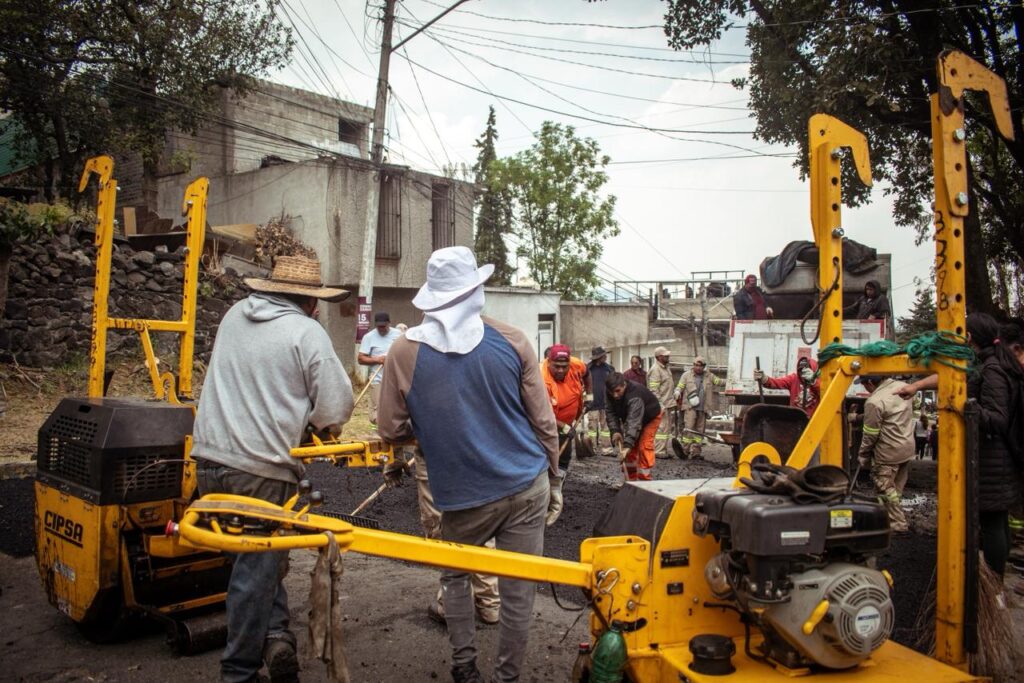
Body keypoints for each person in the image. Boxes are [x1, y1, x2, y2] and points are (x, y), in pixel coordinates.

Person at [376, 246, 560, 683]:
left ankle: (464, 665)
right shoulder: (513, 340)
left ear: (433, 297)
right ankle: (507, 677)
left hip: (461, 496)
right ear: (475, 291)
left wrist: (431, 425)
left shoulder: (403, 353)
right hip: (526, 485)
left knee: (455, 577)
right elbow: (544, 422)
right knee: (519, 588)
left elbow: (390, 428)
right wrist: (555, 479)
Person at [191, 255, 355, 683]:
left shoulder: (232, 316)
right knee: (255, 569)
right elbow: (336, 405)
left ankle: (277, 636)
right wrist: (320, 425)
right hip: (259, 467)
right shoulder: (306, 331)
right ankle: (239, 671)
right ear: (310, 302)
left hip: (208, 460)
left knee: (254, 561)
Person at [966, 313, 1023, 576]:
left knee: (992, 522)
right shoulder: (998, 363)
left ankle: (992, 582)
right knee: (996, 520)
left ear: (970, 336)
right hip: (999, 459)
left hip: (992, 461)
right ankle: (995, 582)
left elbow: (997, 418)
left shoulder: (992, 369)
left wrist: (966, 408)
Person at [855, 375, 915, 533]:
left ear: (870, 382)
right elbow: (890, 416)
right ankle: (886, 518)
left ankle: (898, 523)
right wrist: (858, 417)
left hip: (887, 453)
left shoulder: (874, 401)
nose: (864, 389)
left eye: (863, 385)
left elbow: (870, 434)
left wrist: (863, 455)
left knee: (885, 489)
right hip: (906, 449)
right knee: (896, 491)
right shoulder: (902, 388)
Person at [605, 371, 663, 481]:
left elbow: (634, 422)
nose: (615, 395)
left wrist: (627, 445)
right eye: (612, 392)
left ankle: (645, 482)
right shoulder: (610, 391)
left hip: (650, 417)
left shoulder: (634, 395)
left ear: (624, 385)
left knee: (643, 446)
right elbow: (610, 412)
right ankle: (630, 482)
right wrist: (615, 431)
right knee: (629, 451)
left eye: (618, 391)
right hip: (632, 417)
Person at [542, 344, 590, 469]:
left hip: (566, 422)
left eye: (564, 367)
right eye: (556, 366)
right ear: (548, 362)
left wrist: (590, 397)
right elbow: (540, 413)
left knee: (564, 457)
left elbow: (587, 373)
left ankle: (559, 480)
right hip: (545, 424)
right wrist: (563, 427)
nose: (560, 370)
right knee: (545, 455)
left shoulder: (575, 364)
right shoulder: (541, 379)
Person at [673, 356, 724, 460]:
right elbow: (680, 386)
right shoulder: (686, 375)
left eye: (700, 366)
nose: (697, 368)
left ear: (704, 367)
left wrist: (732, 381)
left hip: (703, 408)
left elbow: (719, 382)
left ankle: (696, 452)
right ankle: (685, 450)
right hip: (690, 407)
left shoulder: (709, 376)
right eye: (696, 365)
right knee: (688, 429)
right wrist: (677, 392)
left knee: (700, 431)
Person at [358, 311, 402, 426]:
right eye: (379, 326)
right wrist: (378, 360)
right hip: (378, 379)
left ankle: (391, 430)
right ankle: (378, 430)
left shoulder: (399, 335)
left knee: (394, 408)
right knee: (376, 410)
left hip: (395, 379)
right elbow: (361, 359)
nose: (381, 329)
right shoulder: (369, 337)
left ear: (389, 323)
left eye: (384, 326)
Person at [753, 356, 821, 417]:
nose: (802, 374)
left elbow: (825, 394)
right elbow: (777, 383)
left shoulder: (820, 381)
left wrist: (813, 381)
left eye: (806, 371)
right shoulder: (794, 379)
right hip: (796, 421)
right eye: (800, 370)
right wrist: (764, 378)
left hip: (813, 422)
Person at [647, 346, 676, 457]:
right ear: (659, 357)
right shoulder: (655, 370)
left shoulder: (665, 368)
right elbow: (653, 390)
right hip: (661, 404)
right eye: (665, 356)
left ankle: (662, 450)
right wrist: (659, 404)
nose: (668, 357)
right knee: (661, 428)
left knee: (666, 428)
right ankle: (659, 451)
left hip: (667, 403)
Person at [585, 346, 614, 451]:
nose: (605, 357)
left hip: (606, 403)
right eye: (603, 355)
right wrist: (587, 401)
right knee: (592, 428)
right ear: (598, 357)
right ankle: (592, 448)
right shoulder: (587, 369)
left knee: (605, 428)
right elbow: (583, 386)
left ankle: (606, 448)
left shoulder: (609, 369)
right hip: (592, 404)